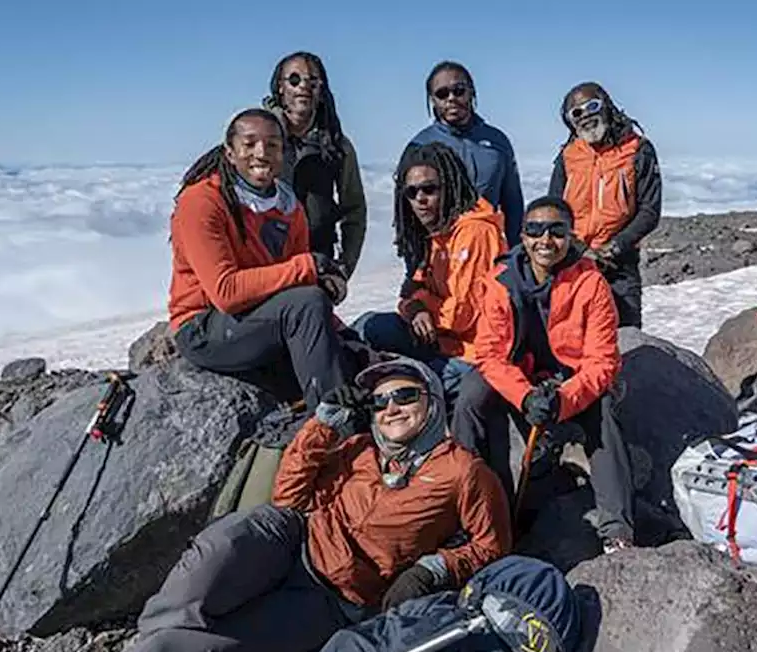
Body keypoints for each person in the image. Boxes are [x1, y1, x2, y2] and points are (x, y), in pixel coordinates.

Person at [16, 357, 513, 652]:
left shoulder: (463, 472)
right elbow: (289, 493)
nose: (391, 407)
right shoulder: (358, 448)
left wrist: (433, 569)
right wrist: (322, 425)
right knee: (227, 540)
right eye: (381, 401)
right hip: (288, 544)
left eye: (405, 395)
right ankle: (161, 638)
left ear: (431, 401)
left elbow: (492, 545)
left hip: (334, 602)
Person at [451, 196, 636, 554]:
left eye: (556, 231)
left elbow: (602, 362)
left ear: (570, 236)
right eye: (535, 230)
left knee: (602, 416)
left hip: (570, 379)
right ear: (522, 235)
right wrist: (524, 396)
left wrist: (563, 401)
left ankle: (617, 530)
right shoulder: (500, 280)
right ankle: (464, 510)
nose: (545, 240)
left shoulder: (591, 283)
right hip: (518, 376)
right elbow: (489, 354)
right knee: (470, 396)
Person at [167, 108, 352, 409]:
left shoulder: (288, 206)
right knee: (306, 304)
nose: (262, 153)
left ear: (283, 153)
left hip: (256, 321)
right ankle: (334, 425)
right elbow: (226, 292)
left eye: (273, 145)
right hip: (202, 327)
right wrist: (308, 266)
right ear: (230, 152)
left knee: (346, 350)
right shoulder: (203, 201)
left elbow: (299, 287)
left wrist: (342, 332)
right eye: (249, 144)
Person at [353, 143, 506, 403]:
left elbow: (461, 317)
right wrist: (415, 308)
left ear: (449, 186)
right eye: (411, 192)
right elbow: (410, 291)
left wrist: (421, 305)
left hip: (470, 353)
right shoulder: (437, 232)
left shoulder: (476, 233)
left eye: (429, 189)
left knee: (396, 392)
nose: (420, 199)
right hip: (438, 337)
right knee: (365, 327)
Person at [548, 82, 661, 329]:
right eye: (576, 112)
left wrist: (615, 247)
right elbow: (553, 211)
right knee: (572, 341)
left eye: (592, 105)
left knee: (626, 340)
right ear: (570, 122)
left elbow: (650, 210)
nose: (586, 115)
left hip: (620, 266)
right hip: (572, 262)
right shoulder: (567, 157)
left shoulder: (637, 150)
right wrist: (579, 249)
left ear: (607, 106)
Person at [264, 51, 368, 277]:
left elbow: (354, 209)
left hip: (316, 265)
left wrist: (343, 268)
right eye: (294, 79)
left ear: (321, 90)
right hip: (264, 265)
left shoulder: (336, 145)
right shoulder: (259, 138)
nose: (303, 86)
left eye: (313, 81)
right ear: (280, 88)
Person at [403, 60, 524, 247]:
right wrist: (415, 264)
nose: (451, 98)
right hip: (440, 256)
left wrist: (516, 257)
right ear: (432, 100)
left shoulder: (497, 142)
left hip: (487, 250)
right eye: (442, 94)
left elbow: (513, 205)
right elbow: (407, 213)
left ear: (471, 92)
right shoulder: (419, 147)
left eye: (458, 90)